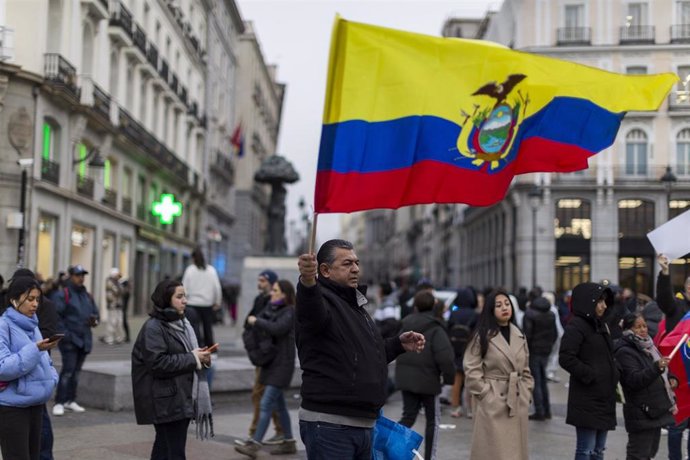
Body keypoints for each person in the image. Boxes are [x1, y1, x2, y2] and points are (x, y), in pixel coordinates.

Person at [296, 239, 425, 459]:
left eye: (356, 262)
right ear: (325, 270)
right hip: (331, 425)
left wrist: (397, 344)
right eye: (347, 264)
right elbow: (311, 309)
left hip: (363, 424)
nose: (356, 268)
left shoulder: (354, 305)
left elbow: (360, 356)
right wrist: (307, 282)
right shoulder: (322, 301)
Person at [131, 279, 213, 460]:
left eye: (185, 296)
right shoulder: (153, 328)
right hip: (165, 401)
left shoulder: (183, 324)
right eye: (179, 296)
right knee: (174, 452)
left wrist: (201, 357)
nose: (184, 301)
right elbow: (158, 363)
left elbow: (186, 355)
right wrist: (193, 358)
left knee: (163, 449)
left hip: (178, 397)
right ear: (166, 299)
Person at [463, 288, 533, 460]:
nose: (504, 308)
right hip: (492, 400)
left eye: (507, 304)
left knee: (514, 451)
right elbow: (471, 369)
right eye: (499, 305)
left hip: (516, 399)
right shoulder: (482, 336)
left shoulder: (519, 334)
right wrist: (486, 394)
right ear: (490, 310)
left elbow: (526, 369)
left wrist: (526, 392)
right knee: (493, 452)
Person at [235, 279, 298, 457]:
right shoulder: (272, 309)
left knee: (266, 403)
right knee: (280, 406)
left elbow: (277, 329)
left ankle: (254, 444)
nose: (272, 293)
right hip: (271, 364)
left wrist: (257, 322)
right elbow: (254, 322)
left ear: (284, 294)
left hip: (282, 366)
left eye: (276, 290)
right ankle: (289, 442)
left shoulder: (290, 311)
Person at [0, 276, 59, 460]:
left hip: (36, 403)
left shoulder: (33, 324)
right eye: (30, 299)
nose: (35, 304)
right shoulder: (3, 325)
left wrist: (51, 378)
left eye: (37, 299)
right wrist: (35, 349)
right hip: (13, 407)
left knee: (35, 455)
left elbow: (46, 361)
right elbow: (3, 367)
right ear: (14, 300)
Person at [559, 282, 618, 460]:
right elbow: (566, 358)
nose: (604, 306)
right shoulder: (576, 326)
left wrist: (614, 373)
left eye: (605, 301)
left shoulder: (602, 325)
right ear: (588, 302)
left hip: (604, 396)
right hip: (587, 398)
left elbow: (609, 355)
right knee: (586, 450)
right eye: (600, 301)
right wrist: (590, 374)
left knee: (599, 450)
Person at [395, 291, 455, 460]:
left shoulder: (405, 324)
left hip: (406, 378)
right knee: (432, 421)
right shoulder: (436, 327)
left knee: (408, 416)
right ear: (434, 306)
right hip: (429, 381)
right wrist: (449, 379)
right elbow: (445, 357)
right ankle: (430, 458)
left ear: (416, 306)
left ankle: (390, 447)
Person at [615, 313, 675, 460]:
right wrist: (656, 368)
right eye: (638, 327)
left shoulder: (649, 346)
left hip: (655, 411)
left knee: (649, 454)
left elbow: (662, 371)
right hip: (640, 412)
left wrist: (672, 379)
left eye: (644, 326)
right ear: (629, 329)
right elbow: (634, 380)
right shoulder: (625, 351)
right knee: (638, 455)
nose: (643, 330)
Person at [236, 269, 285, 447]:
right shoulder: (260, 300)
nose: (260, 283)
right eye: (259, 280)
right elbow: (247, 323)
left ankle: (254, 435)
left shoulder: (276, 304)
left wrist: (256, 323)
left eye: (263, 280)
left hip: (270, 356)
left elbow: (270, 327)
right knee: (270, 398)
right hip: (263, 355)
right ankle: (283, 432)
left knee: (259, 394)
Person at [51, 265, 99, 416]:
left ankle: (70, 400)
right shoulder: (63, 294)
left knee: (76, 372)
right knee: (67, 371)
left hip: (84, 339)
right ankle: (59, 401)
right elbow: (57, 317)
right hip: (70, 340)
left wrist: (94, 321)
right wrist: (66, 335)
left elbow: (96, 315)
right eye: (78, 275)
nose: (81, 278)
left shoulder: (87, 295)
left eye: (83, 275)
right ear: (71, 276)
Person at [523, 296, 558, 421]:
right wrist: (549, 346)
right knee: (543, 380)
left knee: (536, 381)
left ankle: (539, 410)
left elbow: (527, 334)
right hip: (545, 350)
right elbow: (555, 334)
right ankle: (546, 410)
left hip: (534, 351)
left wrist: (526, 350)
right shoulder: (551, 314)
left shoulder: (530, 314)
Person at [447, 287, 478, 418]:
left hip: (456, 349)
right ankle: (471, 409)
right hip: (470, 349)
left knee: (457, 380)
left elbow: (448, 330)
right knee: (470, 380)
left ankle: (456, 407)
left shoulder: (454, 313)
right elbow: (477, 332)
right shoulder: (475, 314)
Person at [181, 248, 222, 348]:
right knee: (207, 327)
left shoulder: (190, 270)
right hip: (207, 304)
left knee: (194, 328)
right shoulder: (211, 270)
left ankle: (197, 347)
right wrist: (217, 302)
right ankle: (211, 348)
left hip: (192, 304)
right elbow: (217, 287)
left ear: (193, 258)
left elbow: (184, 287)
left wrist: (183, 300)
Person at [102, 268, 124, 345]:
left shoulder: (117, 282)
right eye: (117, 275)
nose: (119, 277)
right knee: (112, 322)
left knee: (119, 322)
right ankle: (109, 338)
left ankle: (119, 338)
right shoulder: (110, 282)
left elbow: (121, 291)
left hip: (118, 305)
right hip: (112, 306)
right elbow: (117, 291)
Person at [120, 278, 131, 343]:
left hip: (123, 309)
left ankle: (127, 337)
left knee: (124, 323)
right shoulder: (127, 291)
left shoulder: (126, 292)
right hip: (123, 309)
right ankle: (126, 336)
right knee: (123, 323)